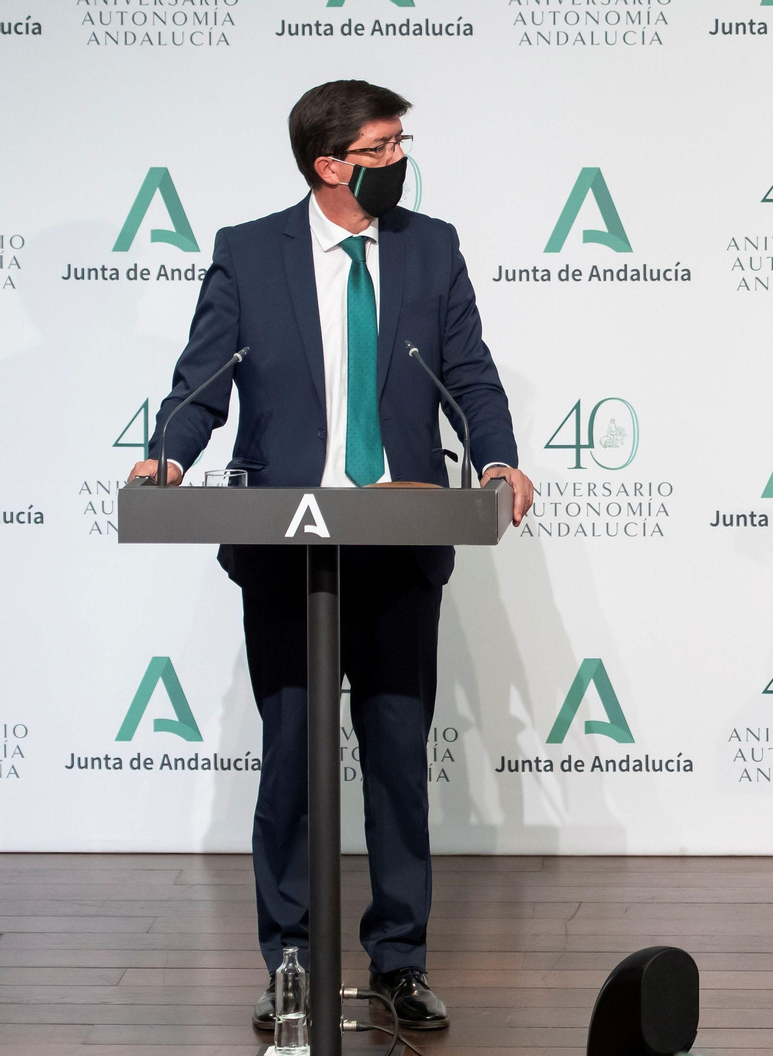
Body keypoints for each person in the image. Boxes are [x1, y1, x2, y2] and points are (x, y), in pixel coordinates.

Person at [127, 80, 534, 1032]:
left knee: (396, 758)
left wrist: (498, 455)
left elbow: (466, 369)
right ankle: (292, 968)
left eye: (401, 145)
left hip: (398, 544)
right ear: (331, 165)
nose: (401, 161)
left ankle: (399, 962)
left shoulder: (431, 247)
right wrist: (170, 454)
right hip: (284, 550)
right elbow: (204, 379)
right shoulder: (246, 253)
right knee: (293, 761)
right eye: (385, 148)